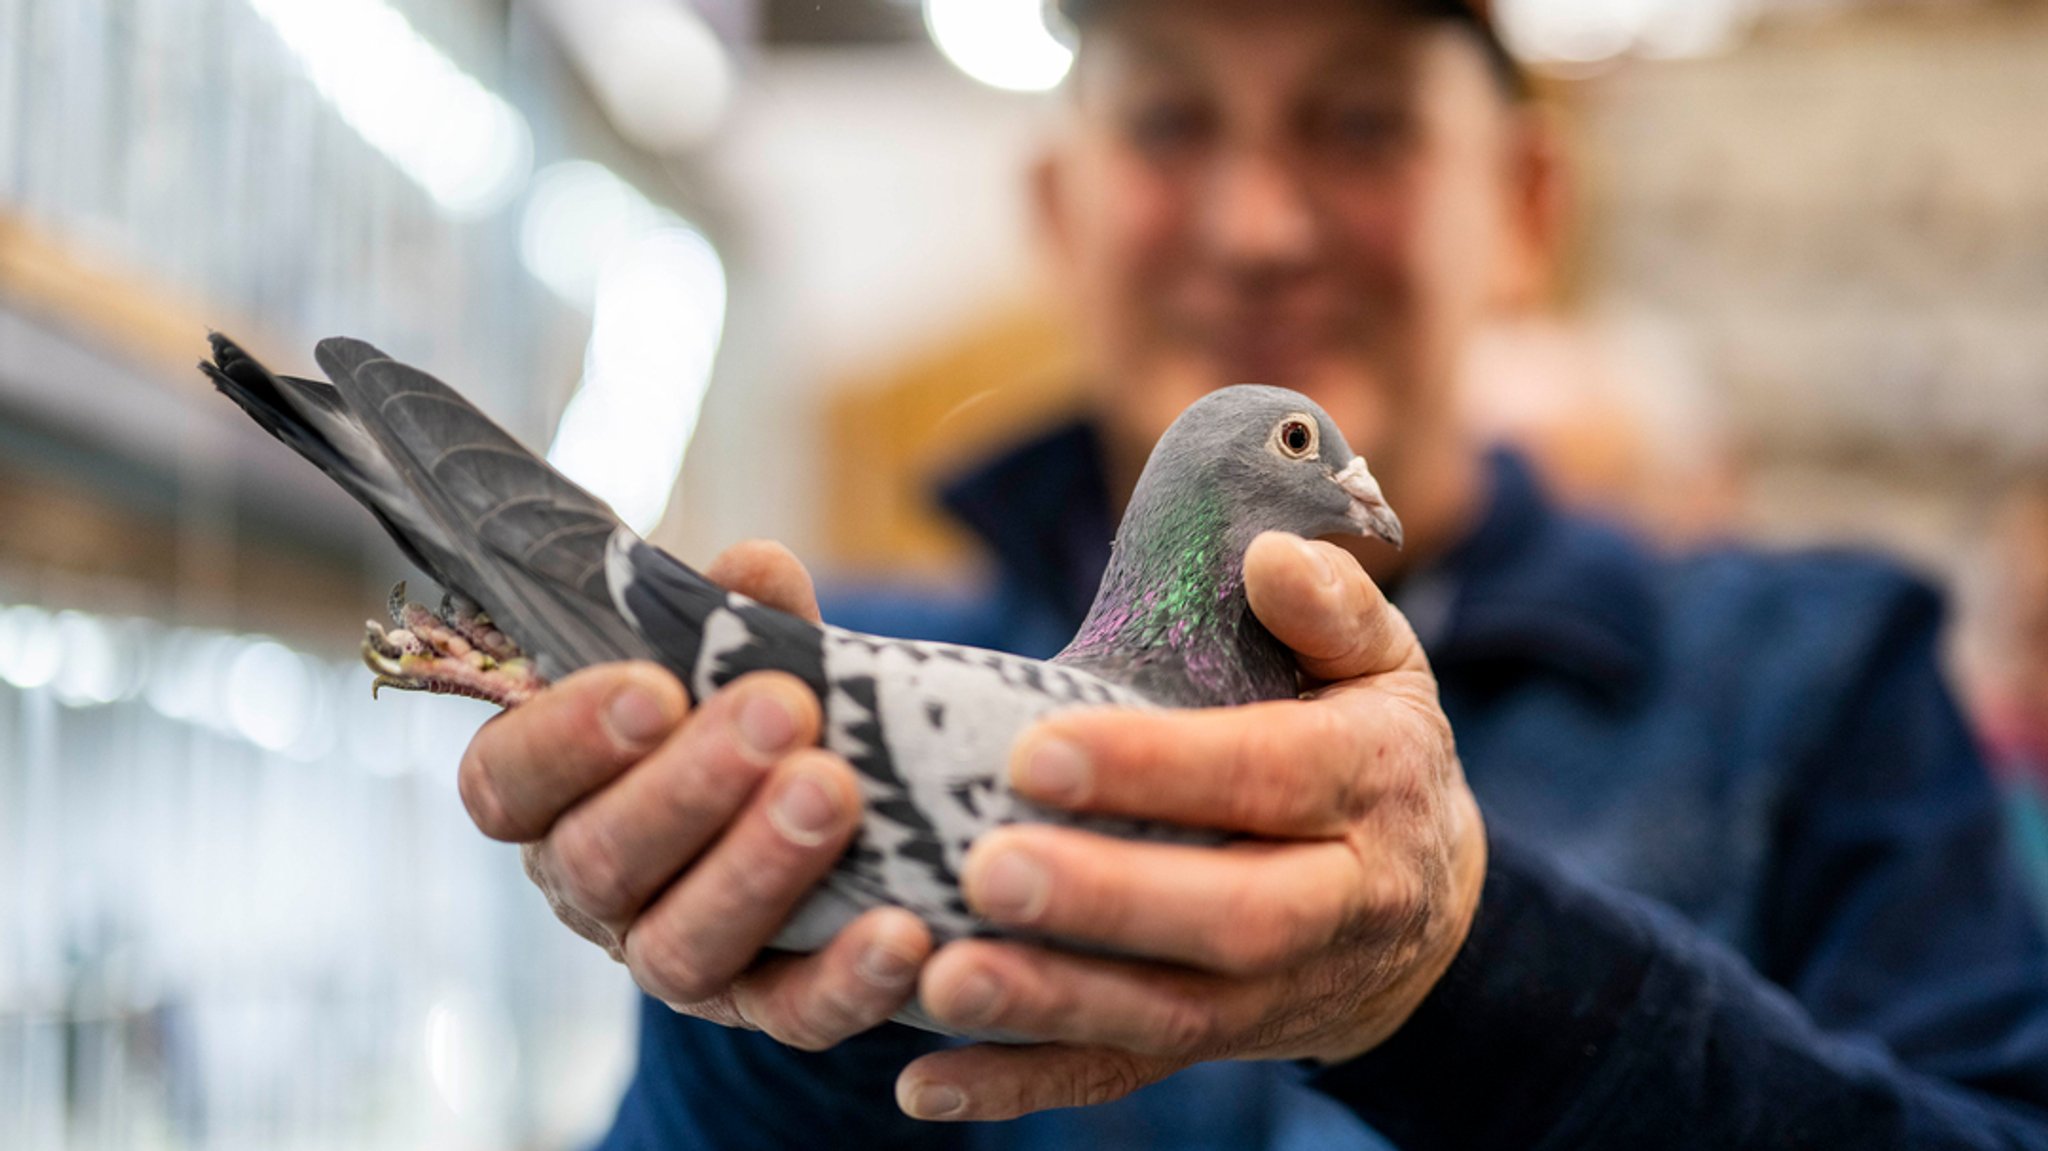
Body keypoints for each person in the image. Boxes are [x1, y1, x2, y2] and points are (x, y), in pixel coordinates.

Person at [455, 0, 2048, 1145]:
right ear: (1060, 211)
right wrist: (778, 1008)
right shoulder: (863, 641)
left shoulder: (1824, 673)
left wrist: (1472, 973)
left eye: (1361, 123)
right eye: (1169, 121)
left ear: (1524, 205)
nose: (1262, 224)